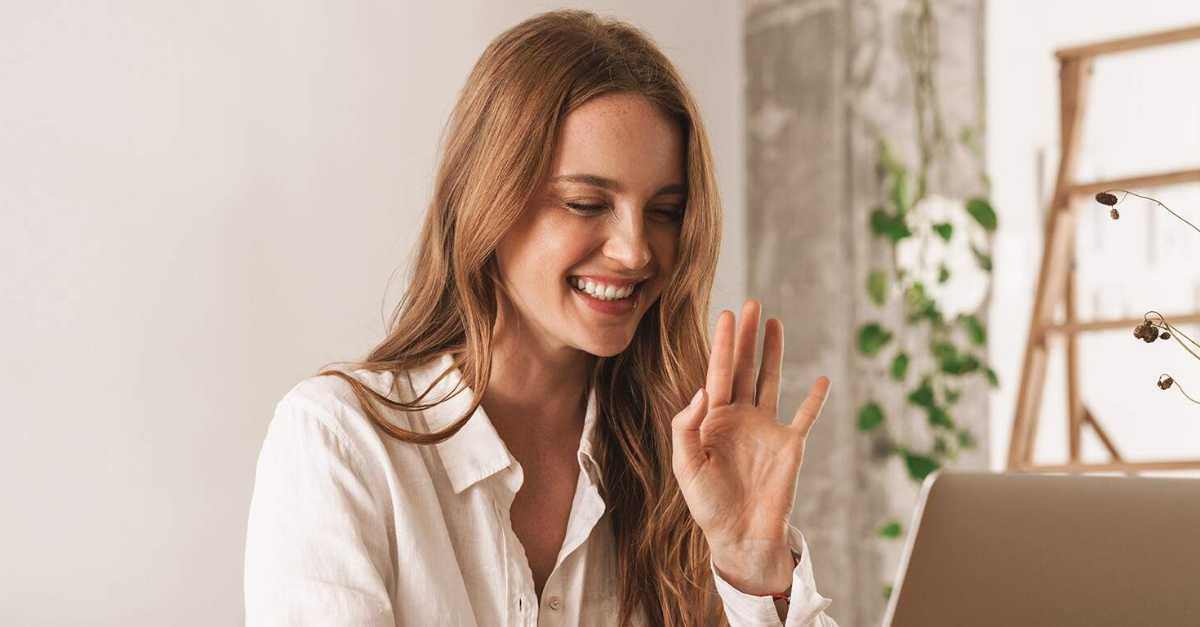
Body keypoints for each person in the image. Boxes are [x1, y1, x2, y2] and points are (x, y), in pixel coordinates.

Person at [244, 9, 838, 627]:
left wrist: (750, 565)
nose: (635, 251)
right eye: (586, 203)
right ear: (488, 200)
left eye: (665, 211)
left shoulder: (687, 465)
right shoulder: (340, 442)